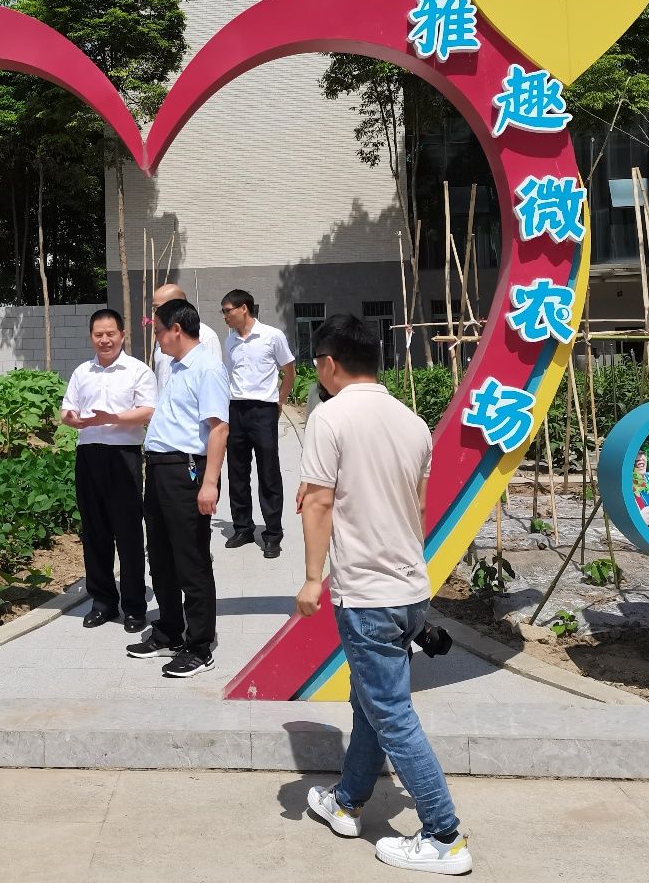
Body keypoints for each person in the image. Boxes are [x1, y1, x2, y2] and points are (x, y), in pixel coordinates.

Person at [295, 315, 471, 876]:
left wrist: (311, 577)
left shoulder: (329, 417)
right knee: (370, 702)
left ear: (327, 363)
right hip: (408, 587)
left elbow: (318, 503)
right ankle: (348, 801)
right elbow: (416, 507)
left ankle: (444, 835)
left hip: (366, 592)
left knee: (391, 713)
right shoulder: (413, 421)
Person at [131, 298, 229, 679]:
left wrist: (209, 484)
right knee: (160, 554)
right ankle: (169, 630)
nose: (155, 337)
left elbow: (219, 428)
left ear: (176, 329)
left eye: (157, 330)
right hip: (158, 468)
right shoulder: (173, 366)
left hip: (186, 471)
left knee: (191, 559)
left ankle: (200, 645)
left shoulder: (207, 368)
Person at [60, 308, 157, 632]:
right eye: (98, 334)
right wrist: (72, 419)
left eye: (110, 334)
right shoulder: (81, 372)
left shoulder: (137, 370)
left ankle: (133, 607)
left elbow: (147, 410)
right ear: (91, 336)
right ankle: (102, 602)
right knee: (94, 533)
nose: (104, 340)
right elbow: (67, 409)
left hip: (123, 457)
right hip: (88, 456)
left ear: (122, 335)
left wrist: (113, 418)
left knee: (128, 534)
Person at [220, 289, 296, 558]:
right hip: (236, 409)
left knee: (268, 472)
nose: (225, 316)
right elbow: (227, 376)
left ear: (243, 308)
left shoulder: (272, 336)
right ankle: (242, 527)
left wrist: (279, 402)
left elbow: (289, 370)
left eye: (227, 310)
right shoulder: (229, 341)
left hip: (263, 410)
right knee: (237, 471)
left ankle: (273, 533)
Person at [149, 283, 223, 395]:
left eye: (158, 308)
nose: (155, 313)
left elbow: (213, 387)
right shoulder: (162, 335)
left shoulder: (206, 336)